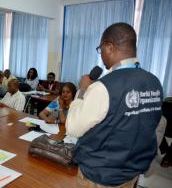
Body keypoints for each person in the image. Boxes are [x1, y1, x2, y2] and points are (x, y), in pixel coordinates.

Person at [66, 23, 163, 187]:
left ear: (109, 47)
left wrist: (82, 90)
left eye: (100, 49)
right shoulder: (154, 82)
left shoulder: (103, 87)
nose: (101, 55)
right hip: (131, 172)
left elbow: (73, 128)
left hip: (99, 176)